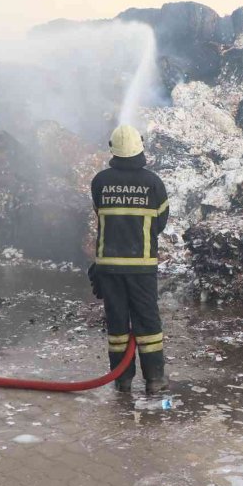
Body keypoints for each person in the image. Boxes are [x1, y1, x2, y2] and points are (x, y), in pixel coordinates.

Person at [88, 124, 169, 394]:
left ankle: (122, 379)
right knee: (148, 323)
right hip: (141, 267)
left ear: (113, 149)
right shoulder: (153, 183)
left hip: (109, 268)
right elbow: (160, 223)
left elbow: (100, 216)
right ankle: (154, 379)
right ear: (140, 147)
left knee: (117, 325)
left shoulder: (100, 182)